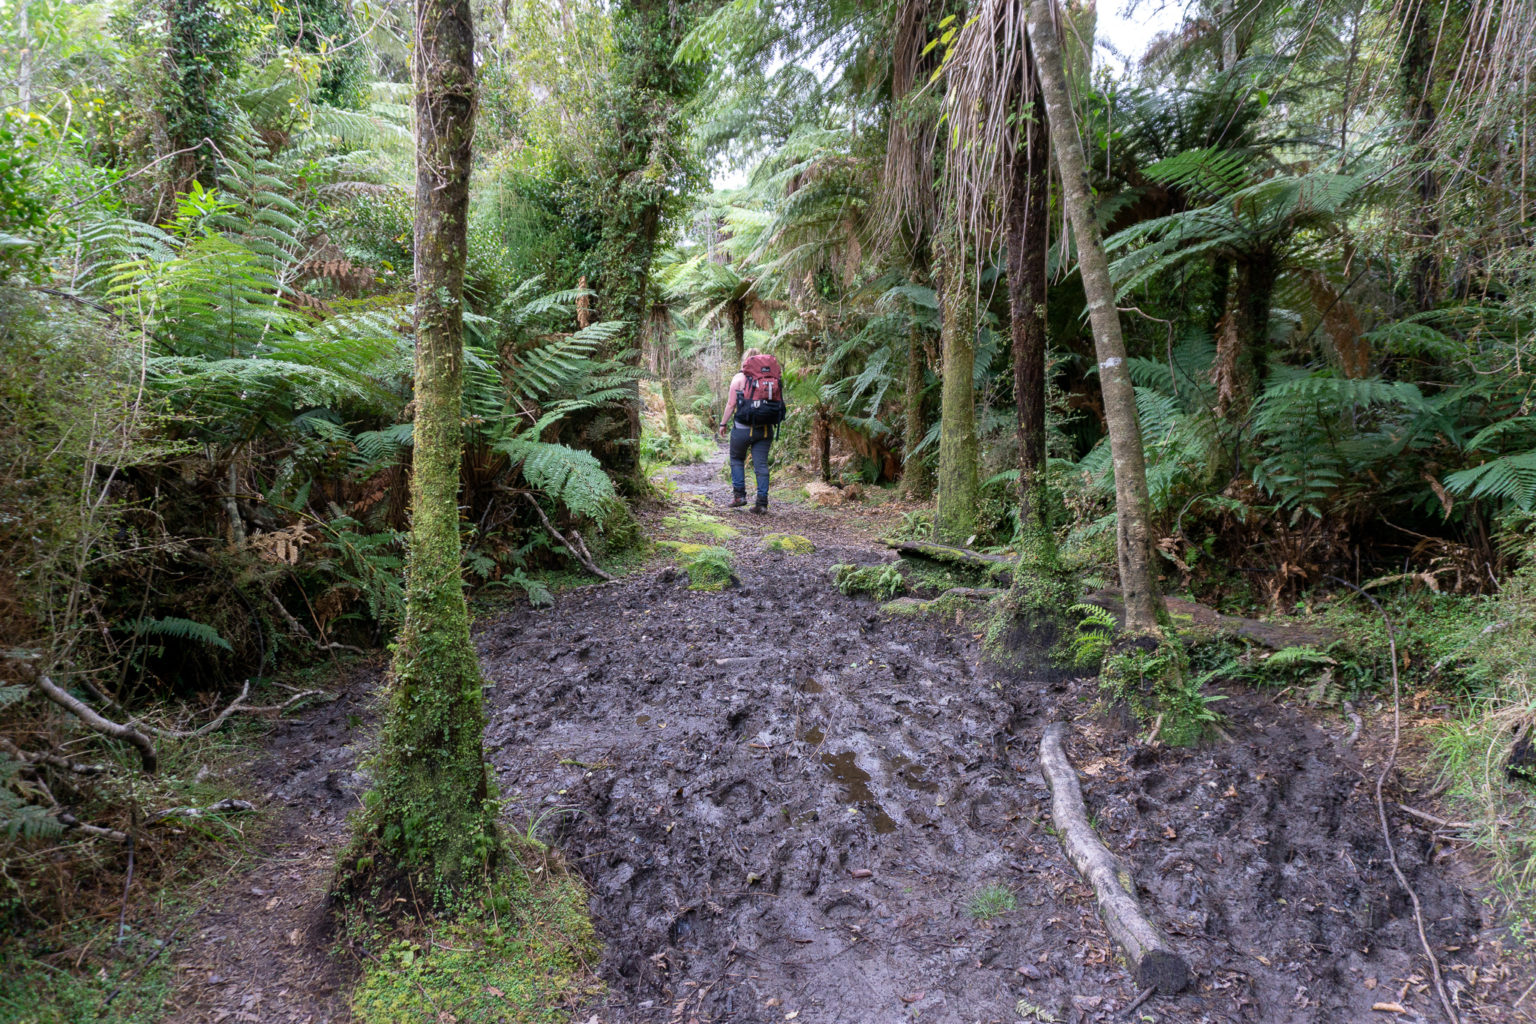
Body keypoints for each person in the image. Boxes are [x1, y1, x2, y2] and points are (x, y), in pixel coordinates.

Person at [716, 348, 785, 513]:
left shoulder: (739, 378)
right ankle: (762, 503)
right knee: (761, 465)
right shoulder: (773, 377)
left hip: (742, 428)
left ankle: (739, 496)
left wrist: (723, 424)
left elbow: (731, 404)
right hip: (766, 428)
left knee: (736, 459)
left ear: (745, 360)